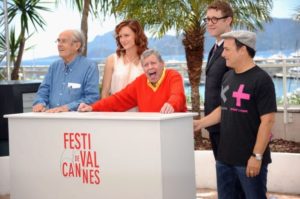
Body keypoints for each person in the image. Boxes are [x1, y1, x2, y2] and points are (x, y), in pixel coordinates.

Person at [194, 30, 277, 199]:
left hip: (248, 160)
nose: (223, 54)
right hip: (224, 159)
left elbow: (268, 121)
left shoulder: (262, 80)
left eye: (227, 49)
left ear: (243, 50)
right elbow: (224, 109)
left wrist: (257, 156)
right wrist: (200, 123)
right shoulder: (227, 77)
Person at [78, 49, 187, 113]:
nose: (150, 67)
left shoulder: (173, 75)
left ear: (162, 64)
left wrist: (171, 104)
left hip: (173, 129)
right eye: (146, 65)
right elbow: (118, 99)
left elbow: (178, 95)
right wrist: (93, 107)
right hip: (148, 131)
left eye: (153, 63)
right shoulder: (140, 82)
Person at [32, 29, 100, 113]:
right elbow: (43, 90)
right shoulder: (54, 66)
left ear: (77, 46)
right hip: (51, 117)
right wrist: (40, 103)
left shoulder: (90, 66)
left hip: (76, 120)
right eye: (58, 41)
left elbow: (92, 98)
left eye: (64, 41)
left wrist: (67, 107)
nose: (59, 45)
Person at [204, 0, 233, 159]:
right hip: (214, 125)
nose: (210, 23)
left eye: (214, 19)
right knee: (222, 171)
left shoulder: (232, 49)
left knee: (231, 176)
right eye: (207, 19)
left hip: (228, 125)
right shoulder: (214, 49)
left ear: (228, 20)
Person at [101, 19, 148, 99]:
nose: (122, 40)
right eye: (120, 36)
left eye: (126, 35)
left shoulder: (147, 60)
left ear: (137, 35)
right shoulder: (112, 60)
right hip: (116, 109)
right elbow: (105, 93)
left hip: (140, 110)